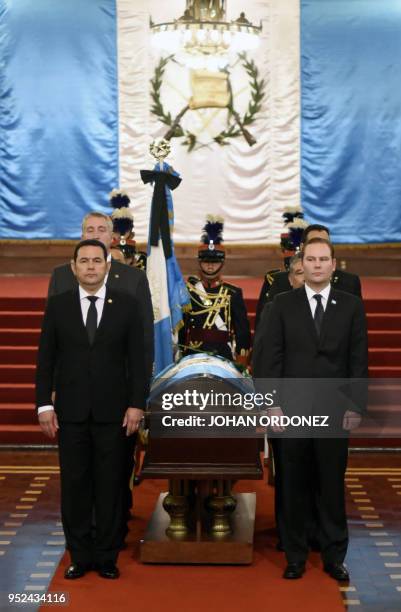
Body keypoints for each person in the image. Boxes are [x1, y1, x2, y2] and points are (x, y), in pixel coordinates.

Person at [253, 237, 368, 581]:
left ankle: (334, 556)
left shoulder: (350, 305)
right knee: (293, 484)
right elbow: (268, 360)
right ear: (302, 265)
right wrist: (270, 404)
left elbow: (357, 359)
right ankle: (295, 555)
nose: (317, 265)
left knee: (331, 485)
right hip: (291, 412)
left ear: (334, 265)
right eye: (311, 260)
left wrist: (355, 404)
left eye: (323, 260)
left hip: (335, 412)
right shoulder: (282, 304)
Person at [36, 239, 150, 579]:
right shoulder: (58, 306)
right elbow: (46, 360)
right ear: (73, 268)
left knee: (111, 486)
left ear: (107, 266)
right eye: (83, 261)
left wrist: (136, 405)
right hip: (70, 414)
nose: (90, 266)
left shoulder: (127, 306)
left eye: (96, 261)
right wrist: (44, 404)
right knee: (75, 486)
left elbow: (138, 361)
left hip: (115, 414)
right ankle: (80, 555)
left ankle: (106, 555)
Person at [47, 211, 154, 515]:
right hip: (75, 391)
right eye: (88, 229)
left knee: (116, 472)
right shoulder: (62, 275)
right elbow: (54, 342)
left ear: (113, 237)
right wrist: (54, 388)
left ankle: (115, 527)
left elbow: (143, 342)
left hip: (117, 394)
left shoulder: (133, 278)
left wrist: (137, 396)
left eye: (101, 229)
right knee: (78, 475)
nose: (95, 233)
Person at [179, 216, 251, 366]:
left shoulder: (233, 293)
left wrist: (241, 363)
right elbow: (182, 328)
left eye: (215, 262)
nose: (210, 266)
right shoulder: (189, 290)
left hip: (222, 355)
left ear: (222, 262)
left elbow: (242, 332)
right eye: (206, 261)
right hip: (193, 354)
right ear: (199, 262)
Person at [261, 224, 362, 310]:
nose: (320, 247)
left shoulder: (349, 282)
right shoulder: (281, 281)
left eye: (325, 242)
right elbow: (265, 326)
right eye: (314, 242)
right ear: (302, 247)